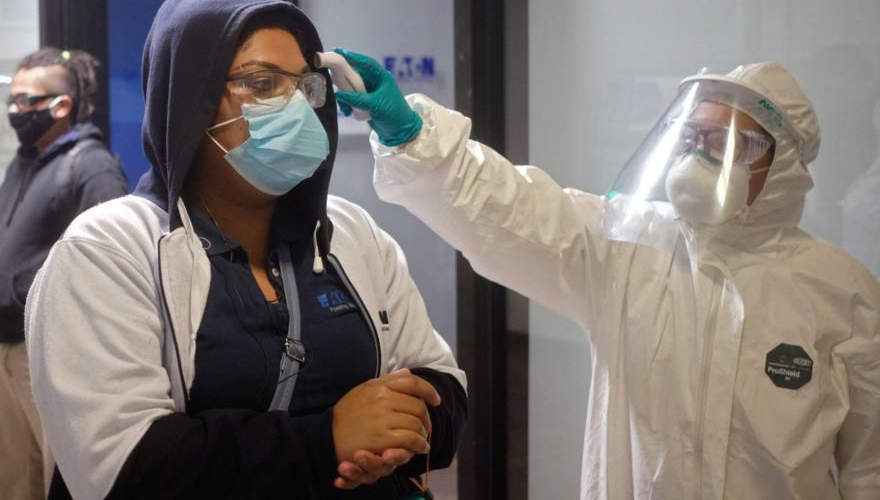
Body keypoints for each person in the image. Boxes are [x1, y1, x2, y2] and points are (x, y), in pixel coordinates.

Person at [335, 52, 880, 500]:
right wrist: (414, 137)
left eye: (728, 143)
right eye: (692, 137)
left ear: (780, 165)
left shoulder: (839, 290)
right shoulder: (629, 247)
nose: (698, 156)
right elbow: (512, 209)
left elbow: (868, 468)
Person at [25, 0, 467, 500]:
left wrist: (397, 437)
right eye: (261, 84)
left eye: (306, 85)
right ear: (189, 99)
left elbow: (444, 389)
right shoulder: (108, 250)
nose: (296, 105)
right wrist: (328, 442)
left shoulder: (352, 233)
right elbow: (121, 467)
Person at [0, 49, 128, 500]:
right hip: (1, 346)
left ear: (60, 106)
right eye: (13, 99)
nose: (14, 110)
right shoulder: (25, 160)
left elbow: (110, 266)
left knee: (53, 477)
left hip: (43, 353)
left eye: (26, 101)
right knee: (12, 479)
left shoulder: (90, 166)